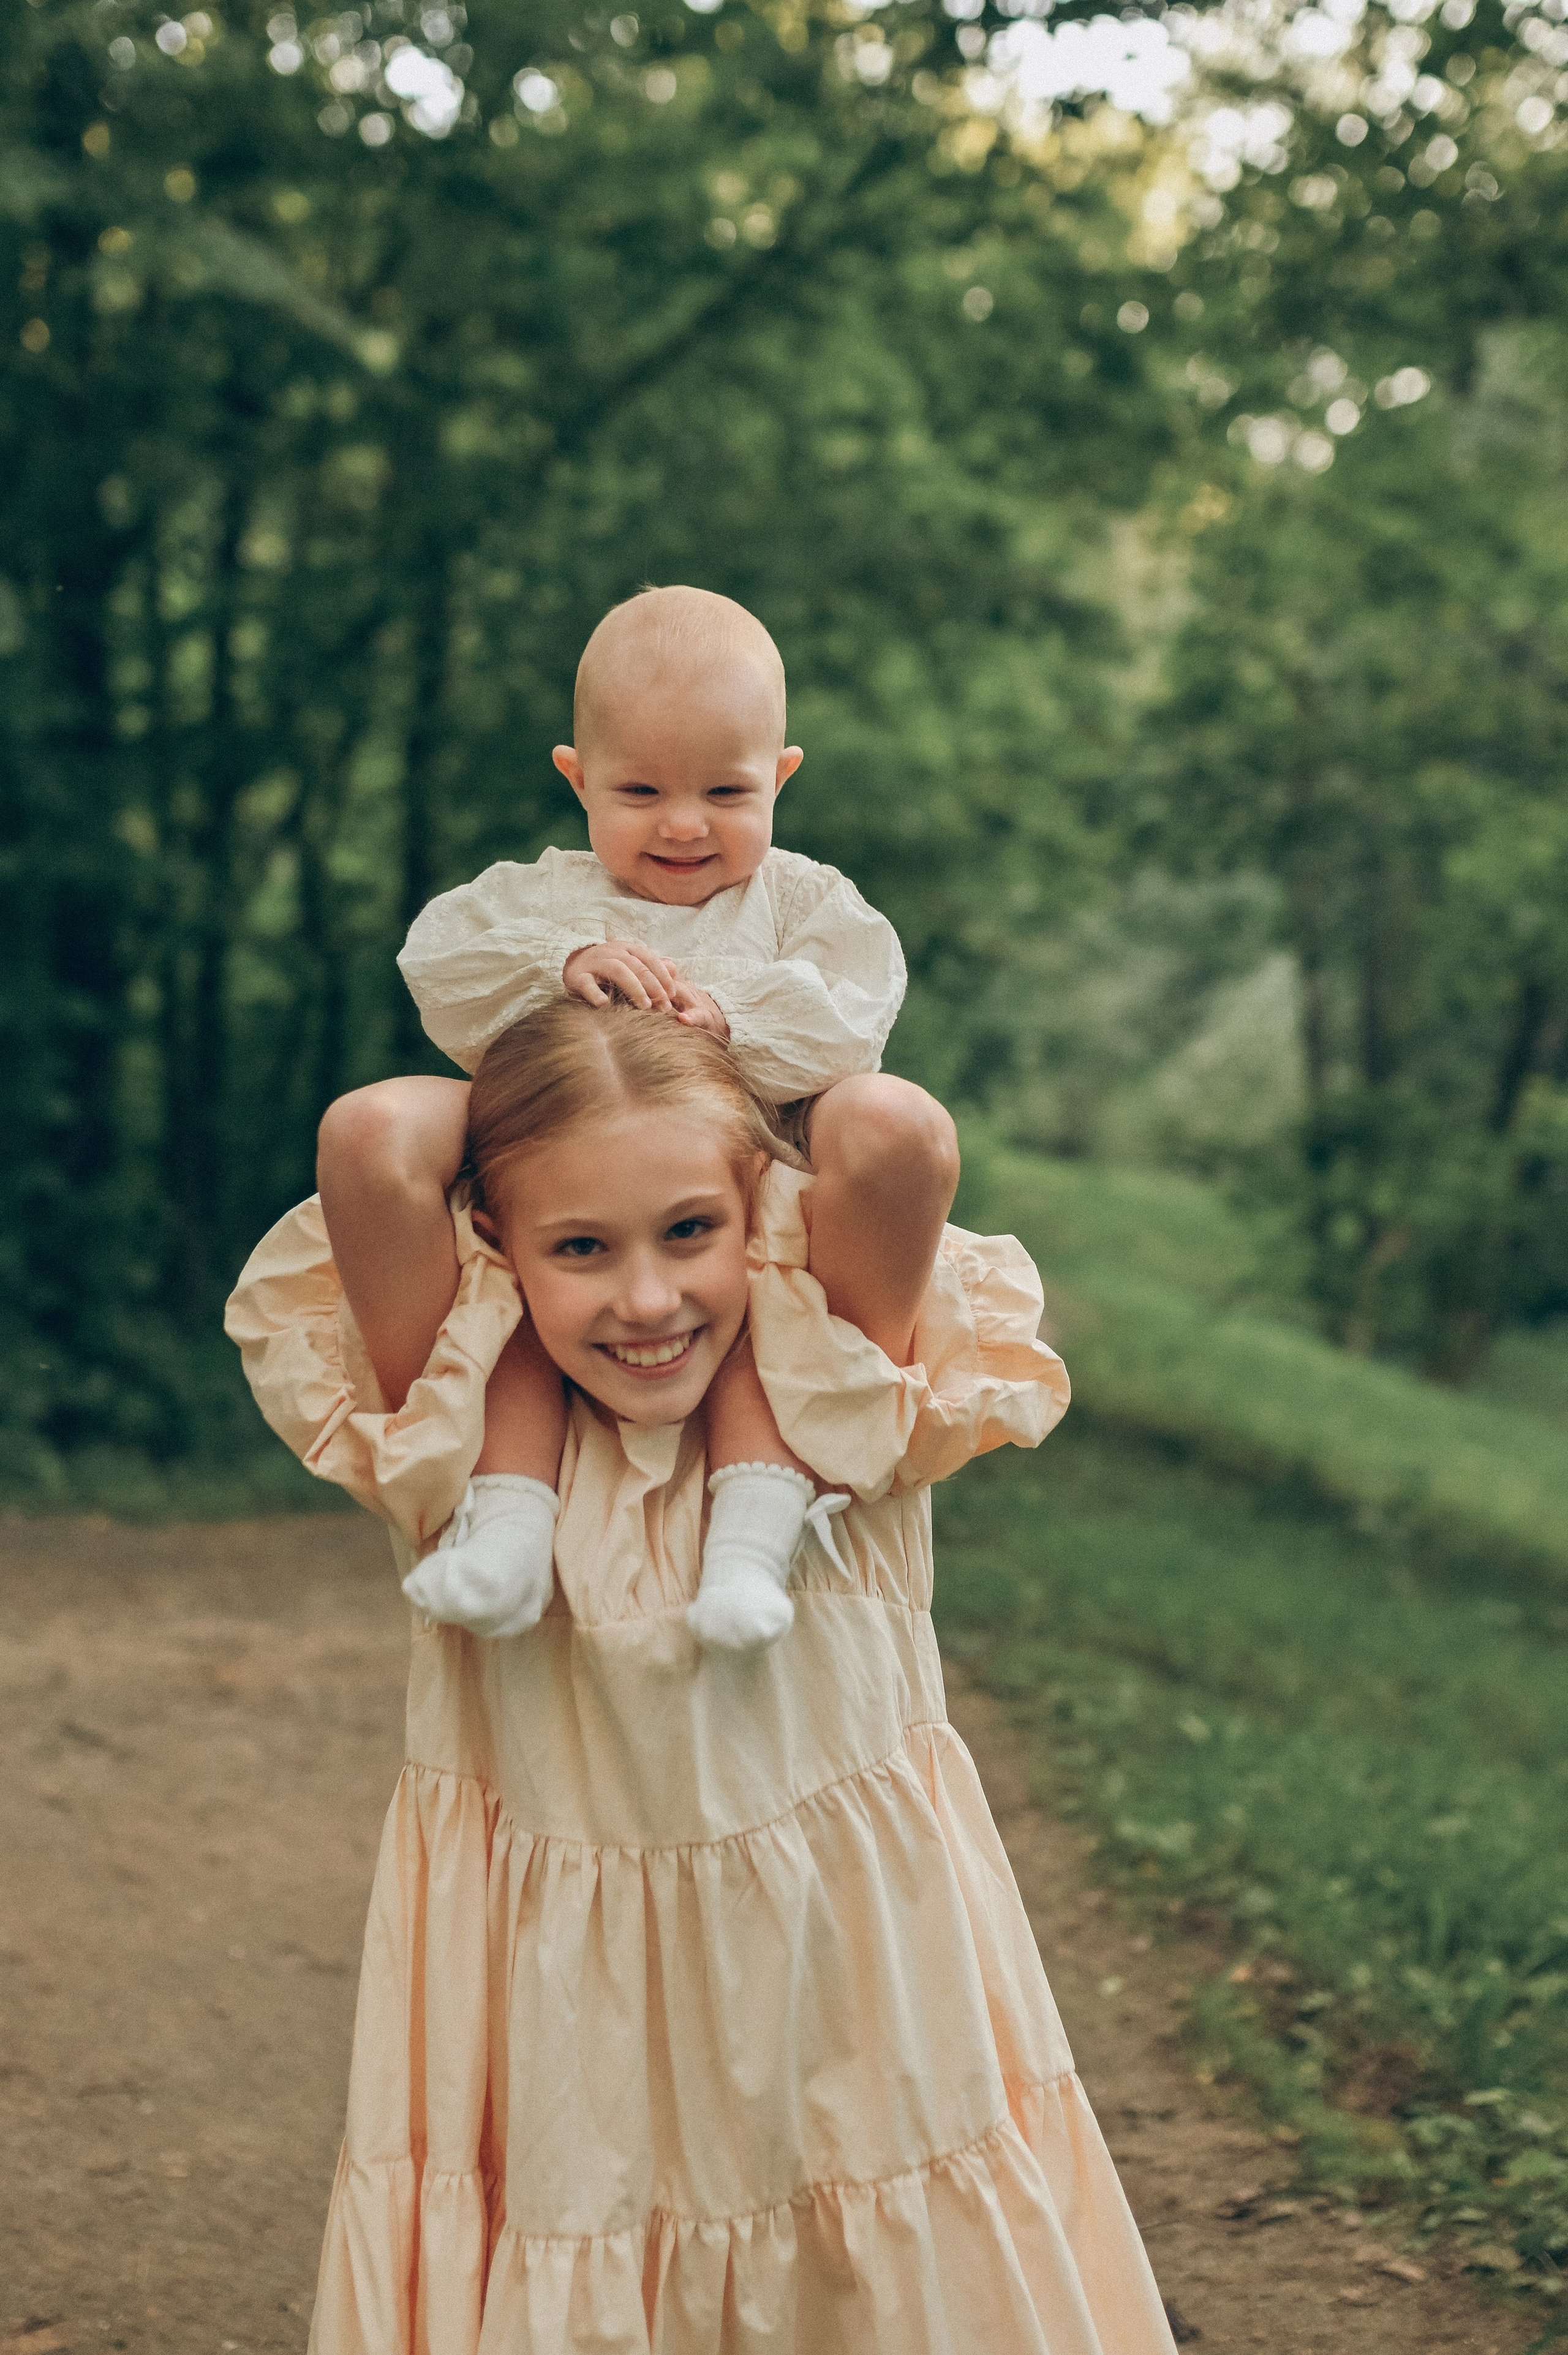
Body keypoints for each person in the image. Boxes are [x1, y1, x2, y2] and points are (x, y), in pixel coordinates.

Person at [225, 998, 1178, 2353]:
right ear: (495, 1245)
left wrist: (734, 1073)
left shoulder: (837, 1398)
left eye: (689, 1229)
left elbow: (893, 1133)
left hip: (849, 2033)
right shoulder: (461, 1433)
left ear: (763, 1215)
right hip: (576, 2089)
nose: (647, 1299)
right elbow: (378, 1139)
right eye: (578, 1247)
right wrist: (554, 1054)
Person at [315, 584, 957, 1651]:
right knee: (496, 1287)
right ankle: (505, 1530)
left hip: (746, 1199)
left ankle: (754, 1539)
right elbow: (437, 968)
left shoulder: (800, 905)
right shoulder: (544, 897)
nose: (683, 822)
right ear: (577, 778)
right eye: (642, 788)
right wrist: (557, 964)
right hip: (559, 1181)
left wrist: (732, 1016)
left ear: (781, 776)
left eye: (724, 788)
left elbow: (857, 1012)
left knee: (783, 1286)